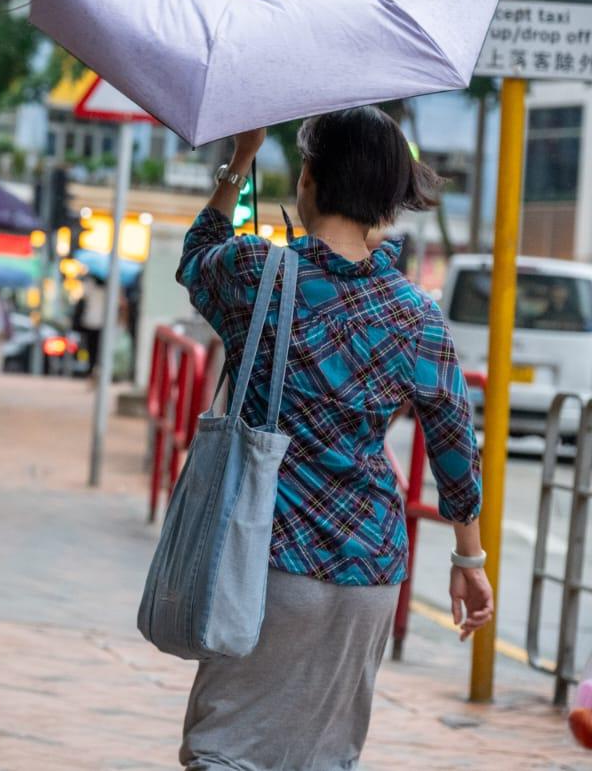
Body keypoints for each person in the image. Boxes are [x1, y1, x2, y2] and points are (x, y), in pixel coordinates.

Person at [175, 109, 491, 770]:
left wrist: (240, 161)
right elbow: (456, 444)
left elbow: (195, 257)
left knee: (226, 749)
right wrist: (469, 560)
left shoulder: (253, 270)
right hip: (370, 570)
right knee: (324, 758)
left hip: (264, 552)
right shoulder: (416, 313)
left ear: (309, 179)